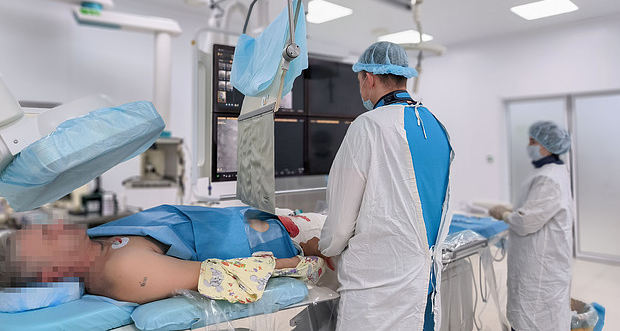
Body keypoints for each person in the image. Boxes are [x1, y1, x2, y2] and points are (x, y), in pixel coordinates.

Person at [300, 41, 453, 331]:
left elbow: (340, 229)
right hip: (424, 283)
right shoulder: (435, 125)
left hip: (377, 291)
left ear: (369, 78)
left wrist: (319, 246)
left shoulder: (368, 126)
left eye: (360, 81)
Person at [0, 204, 327, 304]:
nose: (56, 225)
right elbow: (231, 274)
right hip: (292, 241)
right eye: (48, 236)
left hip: (271, 222)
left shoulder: (96, 240)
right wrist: (308, 255)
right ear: (53, 272)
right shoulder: (125, 270)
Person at [489, 121, 573, 331]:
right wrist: (513, 210)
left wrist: (505, 214)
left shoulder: (548, 178)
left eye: (533, 142)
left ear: (548, 146)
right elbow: (538, 208)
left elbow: (526, 222)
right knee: (536, 314)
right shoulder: (553, 171)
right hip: (544, 258)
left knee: (534, 317)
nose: (529, 146)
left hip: (541, 266)